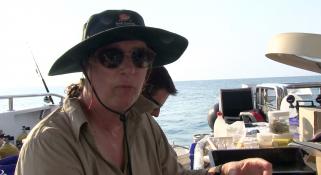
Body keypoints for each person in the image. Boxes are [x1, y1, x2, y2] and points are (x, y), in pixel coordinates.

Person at [15, 9, 272, 175]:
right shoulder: (50, 143)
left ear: (149, 69)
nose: (129, 68)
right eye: (112, 57)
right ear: (86, 66)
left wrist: (227, 170)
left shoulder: (146, 126)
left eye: (141, 57)